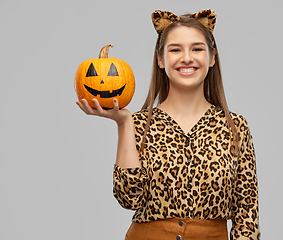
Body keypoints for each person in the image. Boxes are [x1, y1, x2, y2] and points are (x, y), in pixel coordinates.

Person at [76, 9, 260, 240]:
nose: (186, 58)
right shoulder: (139, 124)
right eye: (175, 49)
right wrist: (124, 124)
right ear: (160, 59)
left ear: (212, 58)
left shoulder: (236, 126)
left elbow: (247, 215)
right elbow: (129, 198)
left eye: (197, 49)